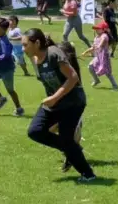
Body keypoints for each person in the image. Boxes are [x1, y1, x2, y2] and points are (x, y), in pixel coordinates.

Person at [21, 28, 96, 183]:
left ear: (37, 43)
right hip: (54, 102)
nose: (23, 49)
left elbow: (73, 77)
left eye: (25, 45)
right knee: (35, 131)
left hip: (73, 102)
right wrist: (52, 99)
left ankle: (88, 174)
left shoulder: (54, 54)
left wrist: (54, 97)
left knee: (66, 138)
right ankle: (72, 149)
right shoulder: (35, 59)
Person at [0, 17, 23, 116]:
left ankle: (19, 109)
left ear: (3, 30)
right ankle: (2, 99)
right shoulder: (0, 38)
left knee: (10, 90)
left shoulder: (5, 41)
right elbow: (0, 53)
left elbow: (6, 55)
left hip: (7, 69)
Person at [85, 21, 118, 89]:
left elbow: (102, 41)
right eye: (96, 29)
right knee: (90, 66)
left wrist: (99, 45)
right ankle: (96, 80)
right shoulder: (96, 37)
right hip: (98, 56)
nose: (96, 30)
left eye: (98, 29)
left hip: (104, 57)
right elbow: (93, 47)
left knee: (107, 73)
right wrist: (86, 52)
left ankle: (115, 86)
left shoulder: (104, 35)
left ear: (104, 29)